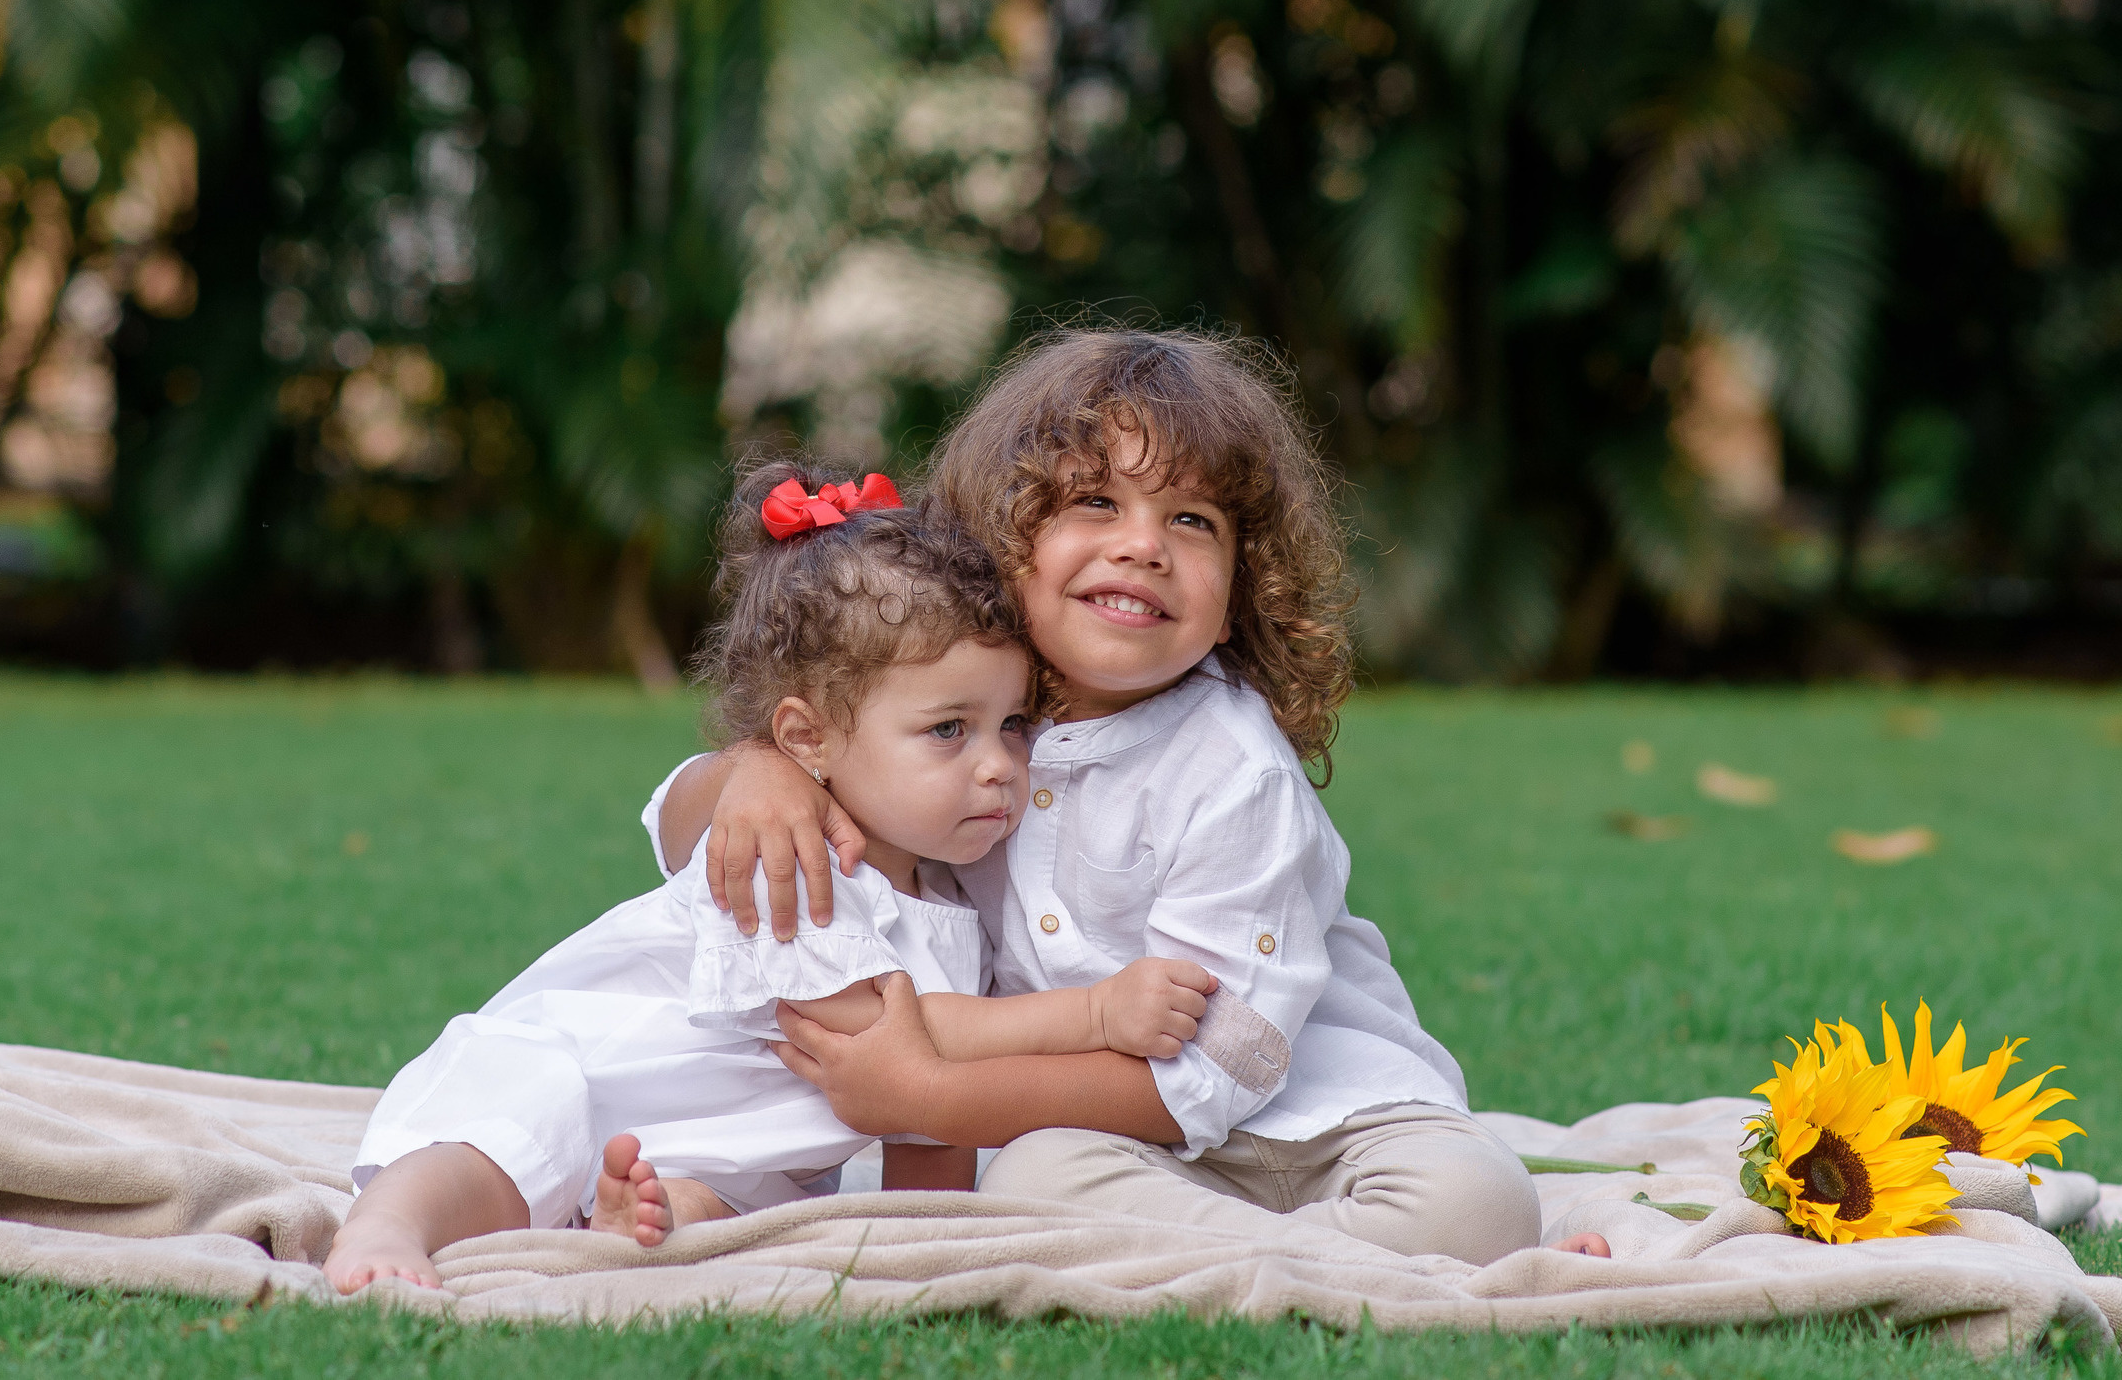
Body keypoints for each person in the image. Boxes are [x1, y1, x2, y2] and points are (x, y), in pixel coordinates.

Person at [652, 328, 1577, 1263]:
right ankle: (1312, 1258)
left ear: (1243, 581)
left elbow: (1219, 1070)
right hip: (1105, 1146)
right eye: (1096, 501)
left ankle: (1282, 1247)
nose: (1143, 546)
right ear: (1000, 535)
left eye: (1193, 521)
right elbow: (687, 841)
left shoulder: (1234, 771)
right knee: (1030, 1180)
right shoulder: (948, 726)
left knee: (1477, 1202)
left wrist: (928, 1098)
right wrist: (758, 770)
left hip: (1327, 1126)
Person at [324, 464, 1219, 1292]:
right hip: (587, 1075)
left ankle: (631, 1218)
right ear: (807, 739)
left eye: (1015, 724)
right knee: (511, 1136)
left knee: (725, 1208)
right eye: (950, 729)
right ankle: (387, 1227)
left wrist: (920, 1244)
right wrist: (1095, 1014)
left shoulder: (952, 891)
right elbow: (898, 1033)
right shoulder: (797, 861)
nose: (998, 766)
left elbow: (926, 1118)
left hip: (714, 1151)